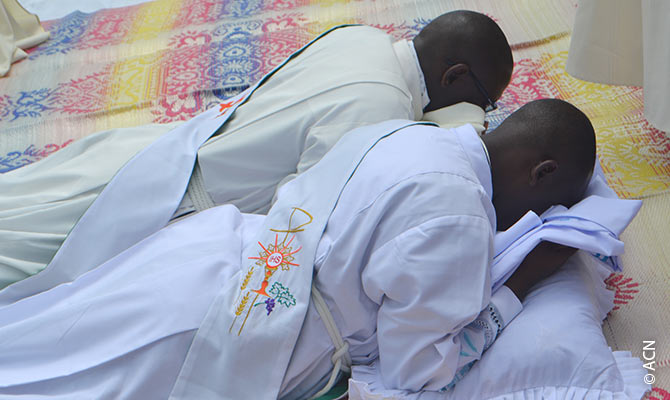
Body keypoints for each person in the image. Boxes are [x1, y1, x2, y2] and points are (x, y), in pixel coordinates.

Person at [0, 99, 596, 399]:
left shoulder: (414, 132)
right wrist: (517, 288)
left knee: (34, 345)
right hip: (233, 329)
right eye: (542, 210)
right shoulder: (462, 217)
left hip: (206, 252)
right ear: (540, 173)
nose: (528, 222)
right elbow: (420, 369)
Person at [0, 10, 514, 289]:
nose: (483, 112)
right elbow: (307, 228)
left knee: (19, 203)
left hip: (163, 148)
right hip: (163, 208)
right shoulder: (379, 110)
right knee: (25, 269)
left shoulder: (364, 39)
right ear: (455, 76)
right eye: (484, 100)